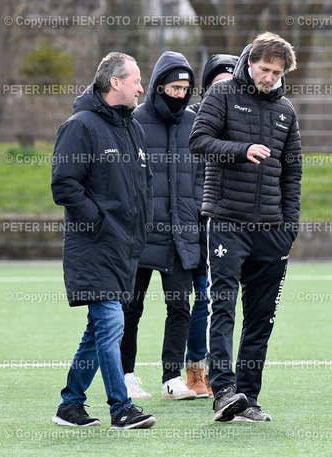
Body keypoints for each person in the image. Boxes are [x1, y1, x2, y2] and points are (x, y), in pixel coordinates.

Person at [189, 32, 302, 422]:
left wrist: (290, 226)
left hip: (272, 231)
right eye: (264, 68)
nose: (269, 77)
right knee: (222, 307)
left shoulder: (287, 111)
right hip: (226, 221)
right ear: (249, 62)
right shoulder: (221, 96)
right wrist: (241, 150)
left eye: (276, 71)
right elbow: (198, 141)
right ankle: (223, 391)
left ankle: (248, 399)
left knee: (261, 316)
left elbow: (293, 172)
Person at [51, 52, 156, 429]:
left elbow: (143, 185)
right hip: (94, 247)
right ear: (115, 83)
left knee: (99, 330)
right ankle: (120, 408)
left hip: (124, 250)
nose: (142, 88)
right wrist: (97, 221)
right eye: (136, 80)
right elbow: (64, 184)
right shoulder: (80, 126)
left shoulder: (133, 128)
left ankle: (70, 405)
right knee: (112, 324)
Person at [120, 51, 203, 401]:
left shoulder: (194, 122)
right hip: (140, 235)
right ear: (158, 87)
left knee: (179, 307)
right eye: (174, 87)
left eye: (186, 88)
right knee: (130, 308)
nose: (180, 94)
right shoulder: (134, 120)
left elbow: (201, 175)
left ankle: (172, 378)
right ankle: (126, 376)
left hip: (181, 234)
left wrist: (196, 211)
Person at [186, 53, 239, 398]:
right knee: (201, 301)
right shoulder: (196, 123)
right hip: (195, 222)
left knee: (219, 300)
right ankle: (193, 370)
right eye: (218, 83)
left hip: (232, 222)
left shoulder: (247, 119)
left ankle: (219, 374)